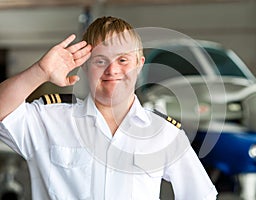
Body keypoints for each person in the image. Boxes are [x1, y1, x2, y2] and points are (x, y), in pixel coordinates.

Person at [0, 16, 218, 199]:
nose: (112, 70)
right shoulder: (48, 120)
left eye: (122, 60)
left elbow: (201, 194)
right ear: (85, 65)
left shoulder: (163, 133)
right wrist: (39, 71)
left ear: (139, 63)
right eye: (100, 61)